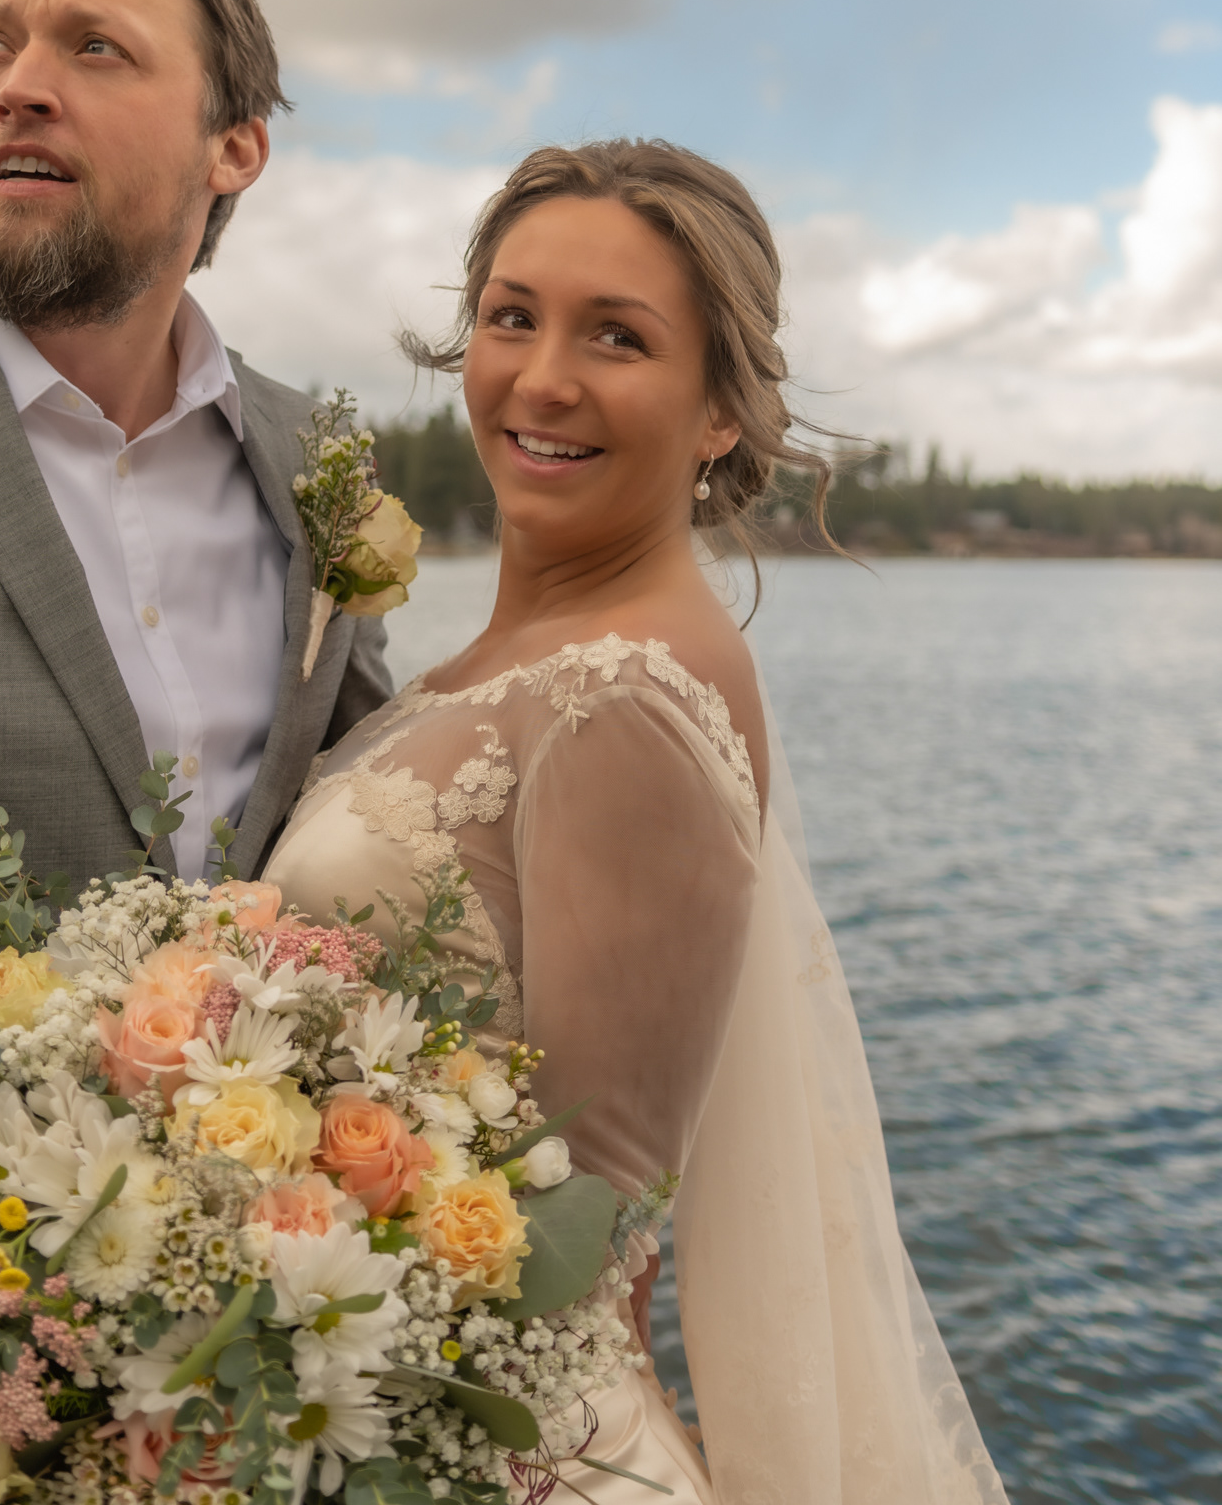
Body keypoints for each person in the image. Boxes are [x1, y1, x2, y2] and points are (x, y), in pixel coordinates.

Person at [264, 139, 1008, 1504]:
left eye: (617, 336)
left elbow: (589, 1232)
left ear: (719, 409)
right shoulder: (501, 662)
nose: (543, 377)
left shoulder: (623, 695)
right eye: (512, 315)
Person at [0, 0, 390, 944]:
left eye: (95, 48)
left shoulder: (317, 464)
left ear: (233, 147)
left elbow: (364, 816)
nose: (19, 86)